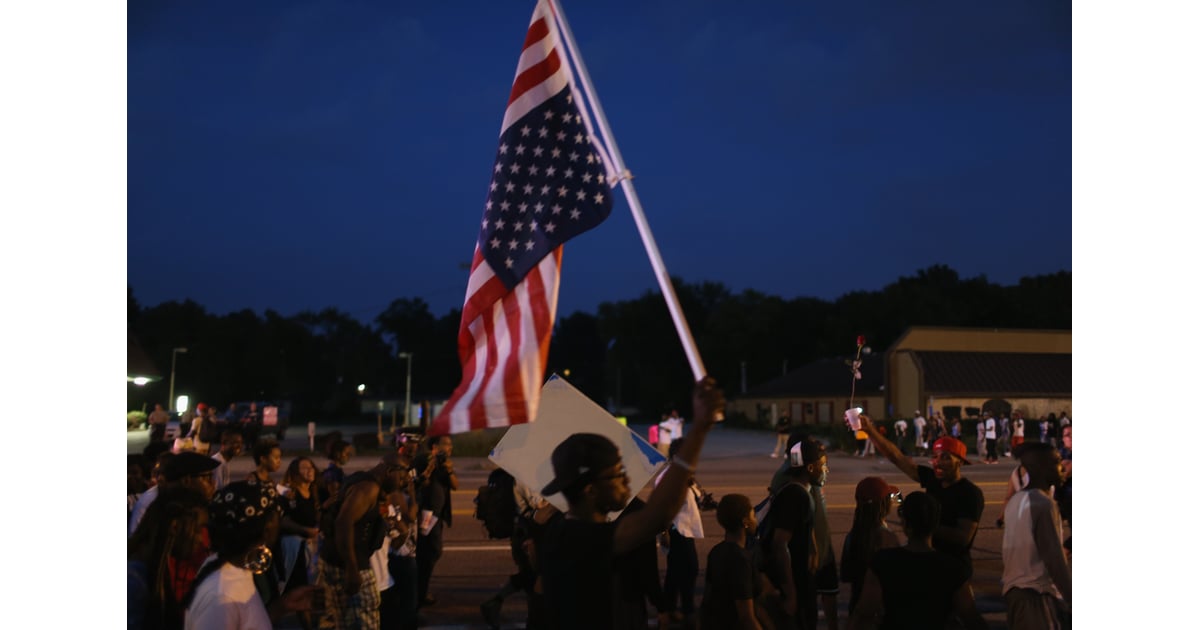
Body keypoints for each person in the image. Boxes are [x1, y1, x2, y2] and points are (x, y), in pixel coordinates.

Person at [536, 376, 724, 630]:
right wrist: (699, 429)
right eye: (618, 475)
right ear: (590, 490)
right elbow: (658, 516)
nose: (627, 481)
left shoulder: (562, 530)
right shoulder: (577, 538)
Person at [858, 415, 984, 579]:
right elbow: (896, 457)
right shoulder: (933, 479)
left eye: (946, 457)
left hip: (953, 569)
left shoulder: (970, 493)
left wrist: (922, 524)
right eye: (935, 457)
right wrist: (869, 430)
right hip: (929, 562)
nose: (938, 462)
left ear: (960, 461)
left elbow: (963, 537)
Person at [183, 479, 315, 629]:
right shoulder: (221, 597)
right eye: (278, 516)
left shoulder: (229, 567)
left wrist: (281, 606)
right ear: (267, 527)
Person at [848, 492, 986, 630]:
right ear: (935, 524)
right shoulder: (952, 568)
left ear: (906, 524)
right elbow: (970, 617)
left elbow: (865, 612)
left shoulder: (883, 562)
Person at [317, 453, 413, 630]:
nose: (404, 483)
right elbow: (343, 523)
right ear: (390, 471)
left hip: (337, 560)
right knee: (364, 618)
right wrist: (352, 569)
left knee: (344, 620)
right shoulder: (368, 488)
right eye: (403, 477)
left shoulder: (362, 480)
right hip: (350, 564)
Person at [1001, 441, 1071, 629]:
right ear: (1041, 468)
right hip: (1036, 596)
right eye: (1056, 462)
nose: (1062, 466)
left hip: (1014, 594)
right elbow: (1054, 558)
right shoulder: (1043, 504)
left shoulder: (1015, 501)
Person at [764, 435, 828, 630]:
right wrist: (791, 593)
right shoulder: (796, 496)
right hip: (796, 582)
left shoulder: (799, 492)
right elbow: (780, 544)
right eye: (822, 465)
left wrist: (814, 548)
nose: (826, 470)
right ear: (810, 468)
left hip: (801, 578)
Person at [128, 486, 211, 630]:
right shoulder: (134, 581)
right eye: (198, 529)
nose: (200, 539)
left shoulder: (157, 572)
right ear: (174, 527)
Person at [698, 493, 764, 630]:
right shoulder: (740, 559)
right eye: (752, 516)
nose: (755, 520)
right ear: (745, 522)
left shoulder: (716, 552)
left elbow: (707, 600)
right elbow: (746, 617)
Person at [657, 438, 705, 627]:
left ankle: (672, 608)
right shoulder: (668, 477)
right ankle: (684, 609)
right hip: (676, 530)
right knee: (688, 570)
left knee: (678, 572)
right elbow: (661, 506)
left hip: (686, 529)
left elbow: (694, 498)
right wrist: (664, 532)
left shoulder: (685, 475)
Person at [839, 477, 901, 616]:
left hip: (856, 605)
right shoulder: (887, 538)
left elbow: (846, 574)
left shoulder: (853, 536)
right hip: (882, 610)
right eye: (890, 498)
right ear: (884, 504)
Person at [278, 457, 322, 630]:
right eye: (304, 468)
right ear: (295, 473)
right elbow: (283, 521)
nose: (309, 470)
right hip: (294, 547)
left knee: (310, 587)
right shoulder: (290, 494)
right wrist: (305, 530)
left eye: (311, 467)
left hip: (311, 546)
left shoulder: (314, 492)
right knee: (297, 588)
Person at [131, 452, 220, 536]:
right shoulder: (165, 509)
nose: (213, 483)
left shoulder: (189, 504)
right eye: (208, 478)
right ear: (186, 481)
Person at [415, 434, 458, 608]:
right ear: (434, 446)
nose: (449, 448)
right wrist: (431, 465)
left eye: (450, 445)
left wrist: (448, 469)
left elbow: (455, 485)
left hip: (438, 514)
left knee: (429, 553)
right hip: (426, 513)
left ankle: (420, 591)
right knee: (429, 552)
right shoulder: (423, 460)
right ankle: (419, 593)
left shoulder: (445, 465)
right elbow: (421, 484)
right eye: (446, 444)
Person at [322, 439, 354, 507]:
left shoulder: (336, 471)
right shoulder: (333, 473)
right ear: (337, 454)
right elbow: (334, 497)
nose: (349, 456)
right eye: (346, 453)